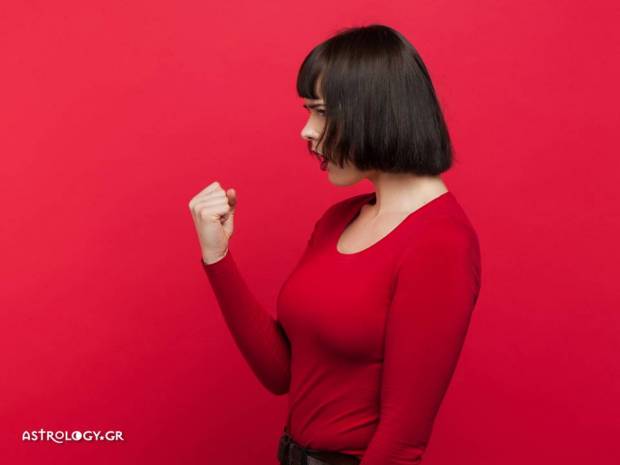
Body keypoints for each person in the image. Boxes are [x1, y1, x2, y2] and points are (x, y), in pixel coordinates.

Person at [188, 24, 482, 465]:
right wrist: (218, 256)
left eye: (321, 112)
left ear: (375, 110)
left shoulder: (441, 243)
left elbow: (402, 441)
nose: (307, 131)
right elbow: (282, 373)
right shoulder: (338, 220)